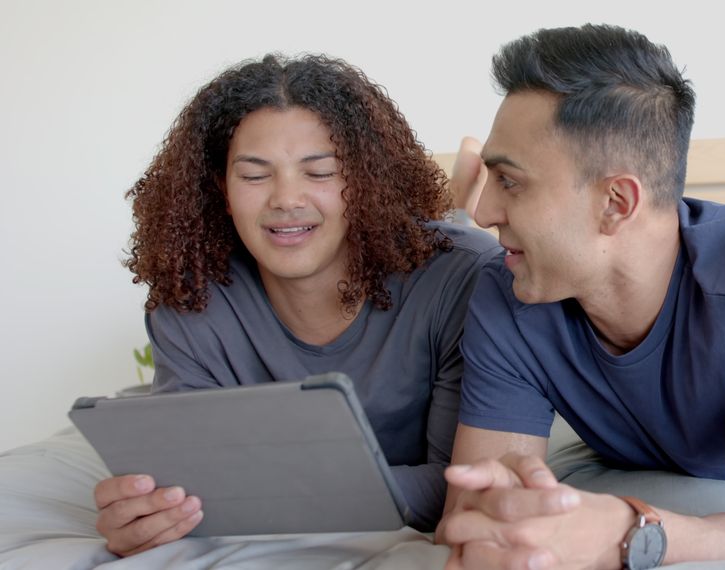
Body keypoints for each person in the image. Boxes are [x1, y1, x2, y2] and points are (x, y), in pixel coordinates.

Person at [438, 24, 725, 568]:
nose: (482, 213)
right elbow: (478, 518)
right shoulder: (509, 289)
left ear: (616, 202)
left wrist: (630, 531)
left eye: (508, 182)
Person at [93, 54, 500, 557]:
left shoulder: (466, 277)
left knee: (458, 237)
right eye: (255, 175)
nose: (286, 198)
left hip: (438, 259)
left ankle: (462, 193)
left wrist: (268, 495)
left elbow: (458, 485)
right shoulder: (190, 300)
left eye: (321, 171)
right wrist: (155, 513)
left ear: (366, 180)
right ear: (221, 189)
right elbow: (197, 482)